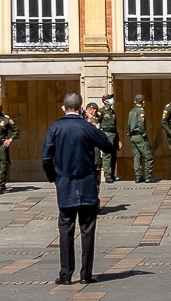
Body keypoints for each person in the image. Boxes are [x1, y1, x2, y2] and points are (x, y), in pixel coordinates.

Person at [42, 92, 116, 284]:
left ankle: (66, 274)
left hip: (65, 183)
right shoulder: (87, 127)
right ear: (81, 107)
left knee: (66, 228)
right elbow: (108, 146)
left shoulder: (55, 127)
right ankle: (86, 275)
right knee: (87, 229)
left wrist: (54, 178)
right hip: (87, 183)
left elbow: (46, 157)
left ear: (63, 107)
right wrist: (93, 124)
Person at [127, 94, 154, 183]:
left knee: (137, 157)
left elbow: (128, 124)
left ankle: (138, 176)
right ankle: (148, 176)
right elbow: (141, 124)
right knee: (148, 156)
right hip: (139, 135)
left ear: (135, 101)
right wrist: (144, 134)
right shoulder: (140, 111)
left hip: (132, 136)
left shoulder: (131, 111)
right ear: (143, 102)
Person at [98, 95, 119, 182]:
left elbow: (115, 126)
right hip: (106, 133)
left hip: (113, 134)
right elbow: (96, 123)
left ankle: (112, 174)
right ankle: (107, 176)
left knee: (113, 155)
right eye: (110, 99)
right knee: (107, 155)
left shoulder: (112, 111)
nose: (112, 100)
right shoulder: (101, 111)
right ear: (105, 101)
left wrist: (118, 139)